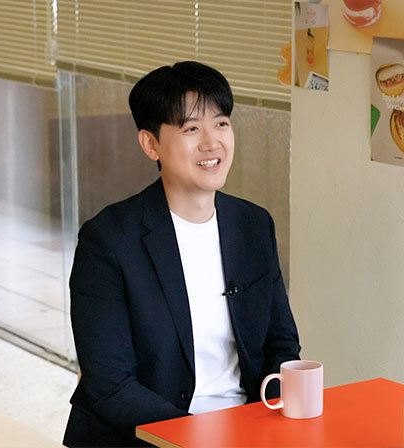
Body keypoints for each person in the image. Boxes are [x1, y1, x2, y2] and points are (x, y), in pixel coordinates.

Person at [63, 61, 301, 447]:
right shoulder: (108, 241)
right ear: (150, 144)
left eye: (221, 123)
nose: (211, 142)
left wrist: (268, 420)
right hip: (145, 435)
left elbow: (282, 342)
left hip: (245, 428)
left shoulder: (253, 225)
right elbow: (110, 385)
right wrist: (195, 438)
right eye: (191, 129)